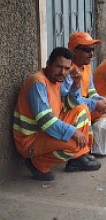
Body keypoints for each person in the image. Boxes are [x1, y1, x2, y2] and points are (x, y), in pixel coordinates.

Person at [13, 47, 101, 181]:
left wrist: (76, 86)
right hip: (30, 140)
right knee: (74, 144)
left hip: (43, 132)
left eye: (66, 69)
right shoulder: (38, 82)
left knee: (82, 109)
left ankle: (78, 157)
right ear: (48, 64)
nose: (62, 72)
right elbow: (45, 120)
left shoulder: (56, 80)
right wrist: (73, 132)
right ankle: (38, 164)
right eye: (58, 67)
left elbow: (68, 105)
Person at [64, 32, 106, 125]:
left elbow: (91, 91)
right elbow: (71, 102)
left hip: (85, 104)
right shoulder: (68, 70)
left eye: (92, 49)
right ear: (74, 50)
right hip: (72, 111)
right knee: (84, 110)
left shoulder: (87, 67)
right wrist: (95, 104)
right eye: (87, 50)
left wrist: (99, 99)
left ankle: (103, 136)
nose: (91, 54)